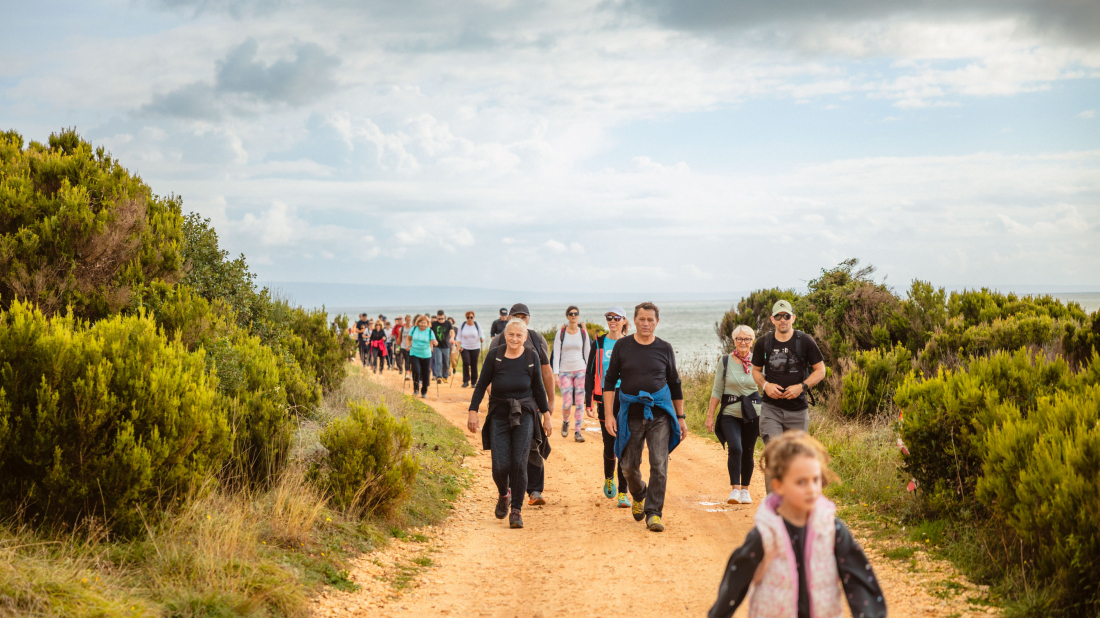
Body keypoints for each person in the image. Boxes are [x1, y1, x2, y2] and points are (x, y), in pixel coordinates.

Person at [707, 431, 886, 618]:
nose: (811, 489)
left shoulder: (832, 530)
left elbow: (859, 581)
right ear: (778, 486)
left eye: (815, 480)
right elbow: (735, 583)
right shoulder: (765, 533)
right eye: (801, 482)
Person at [604, 302, 686, 533]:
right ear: (634, 320)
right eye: (642, 319)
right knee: (628, 467)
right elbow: (609, 381)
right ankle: (640, 493)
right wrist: (609, 414)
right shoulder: (622, 346)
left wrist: (680, 417)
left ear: (657, 322)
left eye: (650, 320)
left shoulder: (665, 348)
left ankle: (654, 513)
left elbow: (674, 383)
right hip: (630, 413)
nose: (646, 324)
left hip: (659, 414)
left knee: (659, 465)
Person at [467, 319, 553, 529]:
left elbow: (539, 390)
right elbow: (481, 385)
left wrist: (547, 416)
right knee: (500, 466)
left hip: (524, 414)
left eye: (519, 335)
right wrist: (473, 411)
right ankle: (504, 493)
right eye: (511, 335)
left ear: (525, 337)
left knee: (519, 463)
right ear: (505, 336)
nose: (515, 339)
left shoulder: (531, 357)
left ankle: (516, 510)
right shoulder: (495, 355)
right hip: (499, 413)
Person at [751, 300, 826, 493]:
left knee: (796, 460)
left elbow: (820, 371)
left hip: (797, 411)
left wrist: (801, 387)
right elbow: (756, 371)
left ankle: (793, 506)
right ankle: (773, 508)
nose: (782, 320)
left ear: (793, 318)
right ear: (772, 320)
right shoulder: (763, 343)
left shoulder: (805, 341)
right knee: (774, 457)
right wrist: (765, 385)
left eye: (786, 316)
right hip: (771, 409)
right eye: (778, 316)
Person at [489, 303, 556, 505]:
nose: (520, 319)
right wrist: (495, 401)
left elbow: (546, 371)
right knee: (508, 446)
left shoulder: (536, 339)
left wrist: (550, 402)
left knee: (533, 445)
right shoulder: (499, 341)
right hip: (504, 405)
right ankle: (508, 490)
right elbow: (490, 376)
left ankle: (535, 491)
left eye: (524, 317)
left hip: (530, 403)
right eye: (515, 316)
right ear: (508, 318)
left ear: (528, 319)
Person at [705, 325, 762, 505]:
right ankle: (735, 490)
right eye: (739, 339)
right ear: (734, 341)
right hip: (730, 413)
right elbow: (717, 390)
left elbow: (767, 385)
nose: (743, 342)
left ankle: (745, 490)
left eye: (747, 339)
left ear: (752, 341)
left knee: (748, 451)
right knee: (735, 448)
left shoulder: (758, 362)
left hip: (753, 413)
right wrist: (710, 416)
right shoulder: (725, 362)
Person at [585, 306, 631, 507]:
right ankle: (608, 477)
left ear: (624, 321)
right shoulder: (600, 342)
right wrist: (589, 401)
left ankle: (623, 493)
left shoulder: (630, 343)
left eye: (616, 317)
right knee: (609, 444)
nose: (612, 320)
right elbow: (590, 372)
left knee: (625, 445)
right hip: (606, 397)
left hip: (627, 397)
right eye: (609, 317)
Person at [551, 305, 591, 442]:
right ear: (567, 316)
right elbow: (556, 355)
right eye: (571, 313)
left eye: (576, 313)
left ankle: (578, 432)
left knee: (580, 403)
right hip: (564, 371)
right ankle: (566, 421)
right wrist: (555, 374)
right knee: (567, 403)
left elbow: (588, 354)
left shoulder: (583, 333)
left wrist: (590, 372)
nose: (573, 315)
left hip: (581, 370)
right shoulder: (560, 333)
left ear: (578, 316)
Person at [407, 314, 437, 397]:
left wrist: (435, 343)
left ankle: (424, 391)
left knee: (426, 373)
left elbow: (434, 340)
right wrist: (408, 345)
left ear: (427, 323)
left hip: (426, 354)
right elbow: (408, 338)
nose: (423, 324)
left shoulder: (430, 331)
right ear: (418, 323)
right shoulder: (413, 329)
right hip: (414, 353)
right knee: (416, 371)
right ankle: (416, 390)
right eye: (421, 322)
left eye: (425, 323)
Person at [457, 311, 484, 387]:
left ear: (473, 317)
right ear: (466, 318)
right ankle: (465, 381)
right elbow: (458, 337)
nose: (469, 319)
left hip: (475, 347)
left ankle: (474, 382)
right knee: (466, 362)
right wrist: (459, 346)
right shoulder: (462, 325)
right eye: (468, 317)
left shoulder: (477, 325)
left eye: (471, 317)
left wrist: (482, 339)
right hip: (464, 347)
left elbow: (481, 335)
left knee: (474, 364)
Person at [431, 310, 453, 383]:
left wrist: (452, 338)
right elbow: (430, 334)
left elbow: (452, 331)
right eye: (439, 319)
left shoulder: (448, 323)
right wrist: (431, 345)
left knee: (446, 363)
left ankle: (445, 376)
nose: (440, 320)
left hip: (446, 346)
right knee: (438, 362)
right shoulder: (433, 324)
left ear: (444, 317)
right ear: (437, 317)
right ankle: (439, 376)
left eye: (442, 319)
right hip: (437, 346)